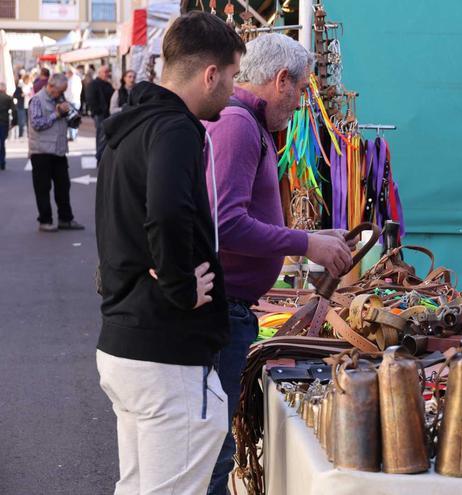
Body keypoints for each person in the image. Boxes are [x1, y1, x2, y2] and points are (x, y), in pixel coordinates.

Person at [95, 11, 246, 494]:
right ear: (210, 74)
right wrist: (182, 286)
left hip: (127, 342)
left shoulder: (129, 127)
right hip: (165, 352)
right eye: (233, 77)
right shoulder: (174, 128)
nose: (233, 89)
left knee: (140, 487)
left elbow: (121, 220)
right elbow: (165, 210)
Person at [201, 33, 354, 495]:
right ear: (281, 80)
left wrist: (312, 237)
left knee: (213, 446)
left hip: (231, 310)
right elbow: (225, 223)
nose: (302, 100)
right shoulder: (238, 125)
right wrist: (304, 242)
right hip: (224, 311)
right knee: (213, 451)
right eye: (302, 88)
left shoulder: (247, 124)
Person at [28, 74, 84, 232]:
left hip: (58, 150)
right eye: (59, 91)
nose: (60, 94)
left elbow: (71, 122)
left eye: (63, 91)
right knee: (43, 188)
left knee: (63, 186)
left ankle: (66, 219)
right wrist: (57, 114)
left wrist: (72, 116)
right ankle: (45, 220)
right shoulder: (37, 100)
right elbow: (37, 123)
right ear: (51, 86)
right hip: (41, 151)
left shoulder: (60, 98)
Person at [85, 65, 114, 161]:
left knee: (106, 137)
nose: (107, 74)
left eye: (108, 72)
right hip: (100, 115)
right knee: (102, 137)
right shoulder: (94, 84)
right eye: (105, 72)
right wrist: (97, 111)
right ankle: (100, 158)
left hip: (108, 114)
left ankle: (103, 158)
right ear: (99, 73)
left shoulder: (108, 84)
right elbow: (90, 99)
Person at [64, 68, 82, 141]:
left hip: (71, 101)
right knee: (75, 117)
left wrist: (66, 99)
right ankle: (74, 134)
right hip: (77, 100)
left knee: (71, 118)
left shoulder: (70, 80)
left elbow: (69, 91)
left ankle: (72, 135)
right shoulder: (77, 79)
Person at [0, 83, 13, 170]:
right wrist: (14, 122)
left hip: (3, 121)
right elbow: (14, 110)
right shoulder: (8, 98)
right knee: (2, 142)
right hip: (4, 121)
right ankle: (2, 161)